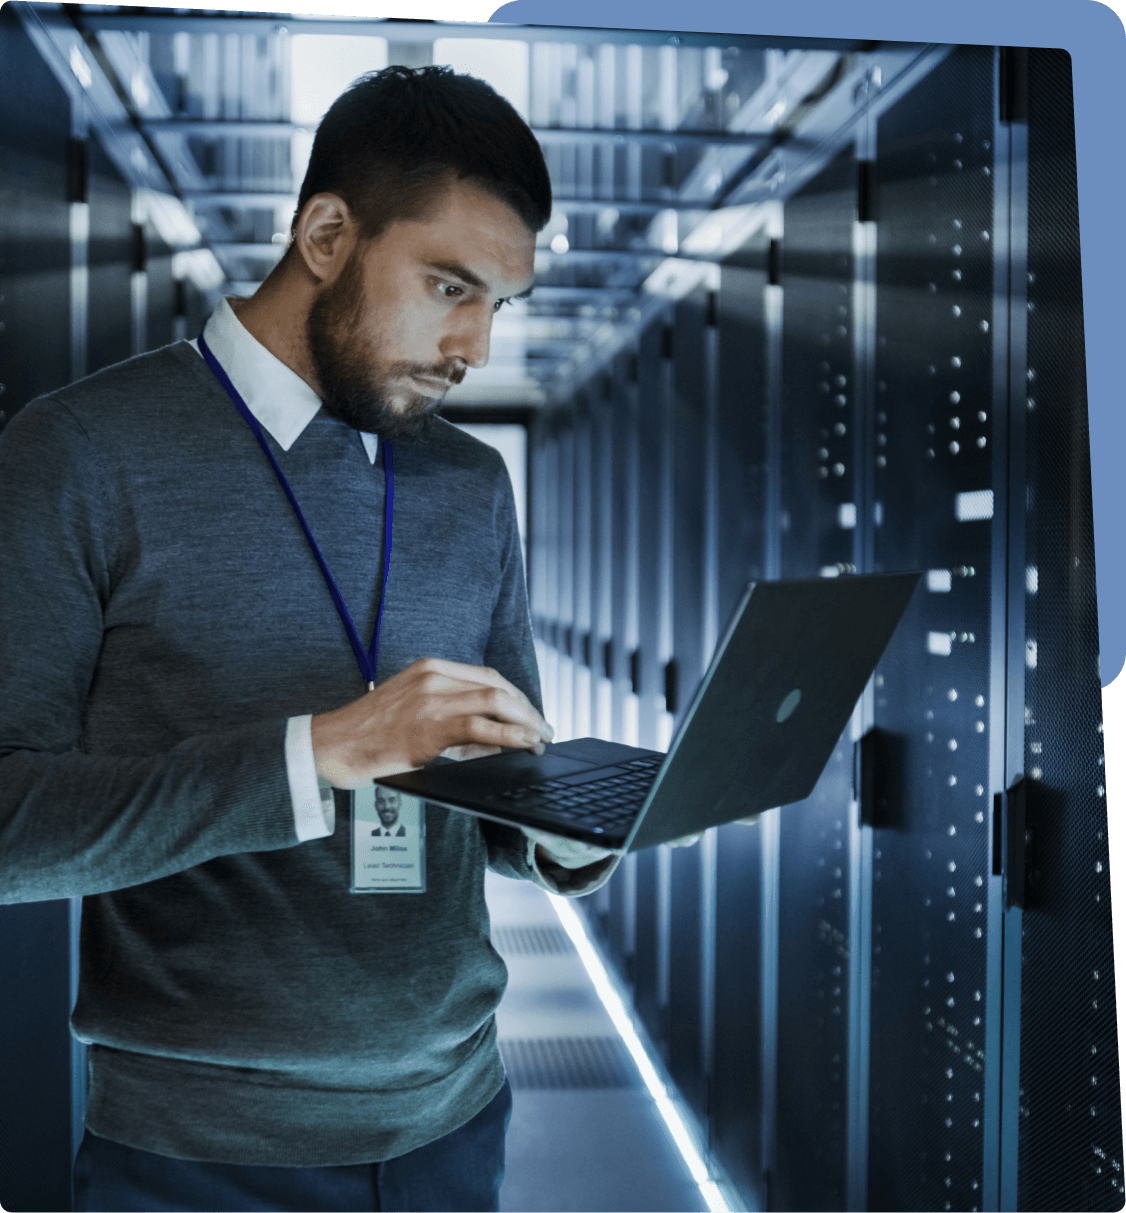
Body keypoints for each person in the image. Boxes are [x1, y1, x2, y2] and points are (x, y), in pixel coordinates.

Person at [0, 65, 617, 1212]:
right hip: (195, 1155)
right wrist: (320, 751)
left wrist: (575, 832)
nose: (474, 346)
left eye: (498, 305)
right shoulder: (80, 455)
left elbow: (493, 791)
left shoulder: (471, 485)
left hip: (456, 1118)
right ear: (327, 234)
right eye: (447, 286)